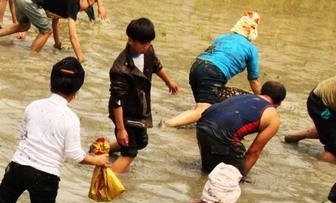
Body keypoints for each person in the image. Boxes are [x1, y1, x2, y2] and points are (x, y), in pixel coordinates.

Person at [0, 57, 108, 203]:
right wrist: (97, 160)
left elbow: (23, 135)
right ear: (76, 92)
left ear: (51, 83)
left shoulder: (34, 106)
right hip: (46, 175)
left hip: (18, 165)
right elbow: (75, 155)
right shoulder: (70, 118)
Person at [160, 11, 262, 129]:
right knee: (203, 110)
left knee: (203, 109)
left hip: (197, 66)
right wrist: (262, 101)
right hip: (212, 72)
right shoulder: (251, 49)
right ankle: (167, 124)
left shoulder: (222, 38)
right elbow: (253, 81)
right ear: (253, 32)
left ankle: (188, 124)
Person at [105, 18, 179, 174]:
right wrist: (120, 129)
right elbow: (116, 101)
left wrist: (168, 81)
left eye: (149, 43)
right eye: (144, 43)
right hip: (124, 113)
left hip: (140, 109)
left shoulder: (148, 51)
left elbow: (156, 65)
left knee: (141, 142)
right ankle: (104, 182)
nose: (148, 46)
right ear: (131, 41)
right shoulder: (120, 68)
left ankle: (106, 148)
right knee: (129, 153)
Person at [195, 80, 285, 175]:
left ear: (261, 91)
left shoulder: (241, 96)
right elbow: (253, 152)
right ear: (279, 103)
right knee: (230, 179)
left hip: (202, 127)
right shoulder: (273, 117)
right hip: (222, 137)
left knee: (207, 172)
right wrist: (241, 177)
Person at [0, 0, 103, 62]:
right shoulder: (74, 4)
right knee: (45, 31)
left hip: (20, 1)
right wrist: (81, 59)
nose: (88, 9)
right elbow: (73, 36)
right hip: (29, 2)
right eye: (90, 5)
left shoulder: (68, 3)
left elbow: (55, 21)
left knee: (23, 26)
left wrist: (57, 44)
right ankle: (30, 58)